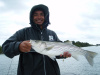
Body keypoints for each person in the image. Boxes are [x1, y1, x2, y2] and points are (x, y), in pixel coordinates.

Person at [2, 4, 71, 75]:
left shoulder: (52, 33)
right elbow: (5, 47)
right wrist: (18, 46)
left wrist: (62, 55)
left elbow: (56, 54)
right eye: (35, 15)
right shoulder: (23, 32)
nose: (39, 17)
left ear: (45, 17)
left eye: (41, 14)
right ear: (32, 17)